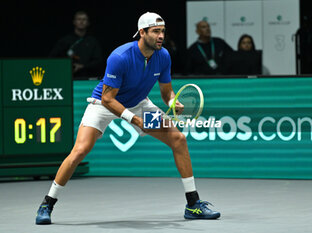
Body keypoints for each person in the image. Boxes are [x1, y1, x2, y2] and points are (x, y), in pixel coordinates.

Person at [35, 12, 220, 225]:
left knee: (178, 139)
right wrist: (134, 120)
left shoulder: (163, 56)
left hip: (139, 103)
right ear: (142, 32)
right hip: (103, 105)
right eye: (156, 32)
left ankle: (193, 205)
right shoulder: (119, 57)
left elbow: (166, 92)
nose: (161, 36)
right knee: (79, 151)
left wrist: (172, 102)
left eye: (163, 32)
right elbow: (107, 98)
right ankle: (47, 203)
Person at [49, 10, 103, 79]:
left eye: (84, 19)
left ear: (88, 23)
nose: (81, 22)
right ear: (74, 22)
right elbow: (53, 58)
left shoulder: (93, 41)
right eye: (79, 19)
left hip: (87, 78)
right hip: (67, 78)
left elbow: (98, 61)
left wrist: (83, 66)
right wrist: (68, 67)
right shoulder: (65, 41)